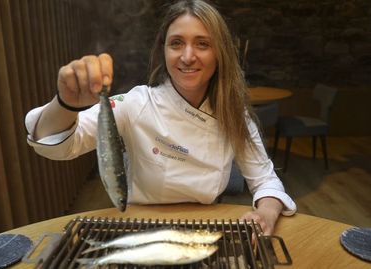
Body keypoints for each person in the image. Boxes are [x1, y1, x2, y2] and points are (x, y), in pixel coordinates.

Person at [25, 0, 296, 235]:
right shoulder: (136, 103)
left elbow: (265, 180)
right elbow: (59, 144)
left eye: (202, 44)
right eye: (177, 43)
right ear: (164, 50)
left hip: (207, 227)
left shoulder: (234, 114)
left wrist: (267, 212)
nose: (188, 56)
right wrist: (65, 103)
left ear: (219, 54)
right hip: (138, 227)